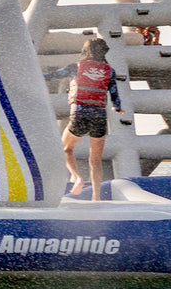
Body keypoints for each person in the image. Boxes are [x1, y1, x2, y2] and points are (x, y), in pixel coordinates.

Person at [48, 38, 123, 200]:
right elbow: (115, 95)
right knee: (95, 159)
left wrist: (30, 72)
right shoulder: (109, 71)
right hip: (99, 116)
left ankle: (77, 178)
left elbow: (52, 76)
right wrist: (117, 108)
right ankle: (96, 197)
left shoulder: (76, 67)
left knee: (66, 149)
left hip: (80, 114)